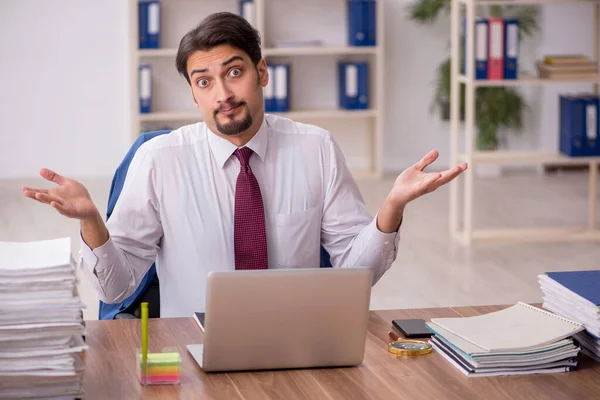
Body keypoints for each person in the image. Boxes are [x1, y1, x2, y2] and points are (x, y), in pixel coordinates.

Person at [22, 12, 467, 318]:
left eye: (234, 72)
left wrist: (391, 208)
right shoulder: (159, 160)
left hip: (297, 341)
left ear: (262, 73)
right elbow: (116, 291)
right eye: (204, 82)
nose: (223, 94)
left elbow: (357, 274)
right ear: (193, 95)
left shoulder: (316, 149)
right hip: (191, 348)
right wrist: (91, 222)